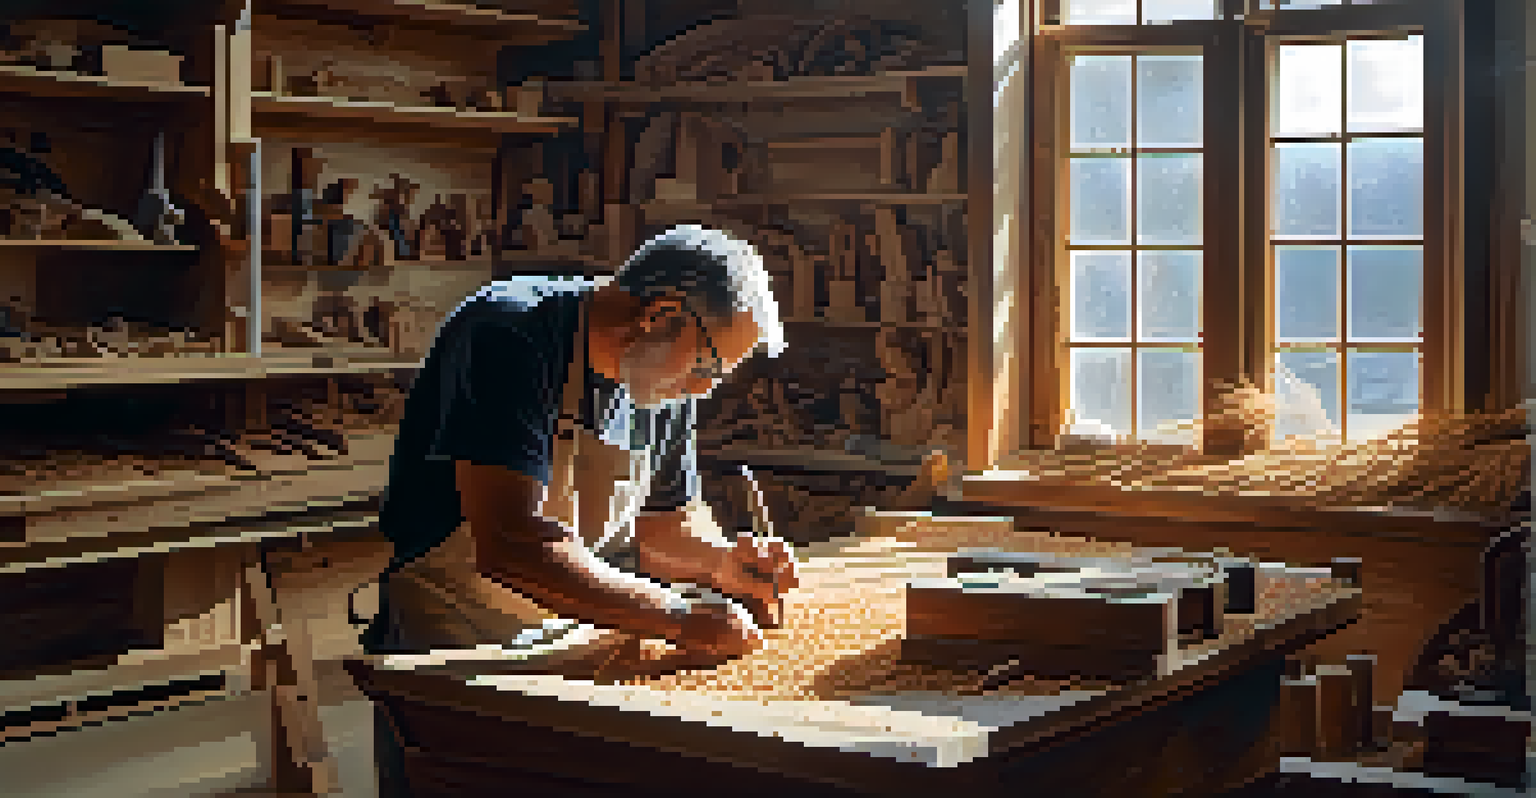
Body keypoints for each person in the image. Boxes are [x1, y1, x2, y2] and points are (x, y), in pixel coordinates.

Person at [359, 224, 799, 677]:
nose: (703, 389)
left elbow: (666, 528)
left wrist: (724, 563)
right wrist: (678, 617)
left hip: (579, 629)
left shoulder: (661, 381)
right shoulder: (510, 334)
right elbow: (512, 544)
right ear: (660, 316)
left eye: (719, 375)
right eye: (708, 366)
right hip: (459, 639)